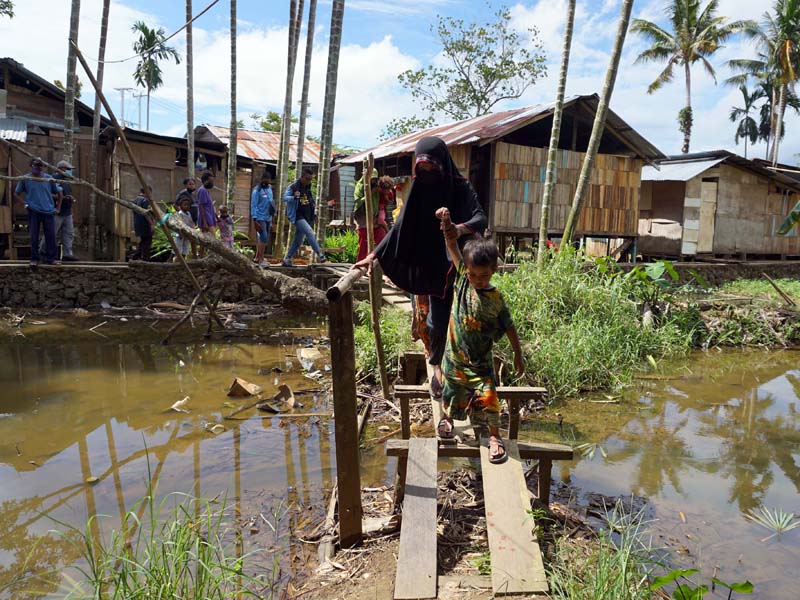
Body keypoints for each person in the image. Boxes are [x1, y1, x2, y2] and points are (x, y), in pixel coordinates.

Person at [353, 136, 487, 398]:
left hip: (457, 261)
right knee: (436, 320)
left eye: (431, 168)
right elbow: (399, 227)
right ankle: (438, 369)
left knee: (462, 317)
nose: (427, 173)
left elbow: (480, 218)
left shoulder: (460, 187)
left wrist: (458, 229)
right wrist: (373, 256)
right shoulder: (418, 187)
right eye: (422, 168)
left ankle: (465, 372)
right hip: (429, 260)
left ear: (442, 164)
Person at [434, 206, 524, 464]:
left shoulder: (496, 299)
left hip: (481, 363)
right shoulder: (463, 279)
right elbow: (452, 245)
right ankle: (447, 419)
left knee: (489, 398)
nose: (477, 279)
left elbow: (509, 327)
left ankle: (494, 437)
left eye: (483, 275)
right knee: (451, 392)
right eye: (473, 274)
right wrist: (447, 222)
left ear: (493, 270)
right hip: (455, 358)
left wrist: (518, 355)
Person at [14, 157, 62, 267]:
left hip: (48, 211)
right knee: (34, 235)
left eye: (40, 166)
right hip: (33, 211)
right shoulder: (26, 178)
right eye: (36, 165)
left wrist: (58, 208)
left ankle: (51, 258)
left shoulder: (48, 178)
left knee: (50, 235)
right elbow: (16, 193)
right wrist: (25, 203)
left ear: (43, 167)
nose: (38, 168)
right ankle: (34, 258)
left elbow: (59, 193)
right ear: (31, 166)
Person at [281, 167, 328, 266]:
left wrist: (314, 214)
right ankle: (320, 254)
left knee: (298, 241)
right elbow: (284, 198)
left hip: (307, 216)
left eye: (310, 179)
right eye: (307, 179)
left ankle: (287, 259)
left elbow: (311, 202)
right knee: (310, 232)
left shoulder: (308, 188)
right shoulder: (293, 187)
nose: (308, 181)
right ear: (302, 177)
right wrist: (294, 197)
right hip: (297, 216)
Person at [41, 159, 78, 261]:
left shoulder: (66, 181)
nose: (70, 171)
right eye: (68, 169)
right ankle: (43, 251)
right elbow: (47, 194)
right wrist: (62, 198)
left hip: (67, 212)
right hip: (56, 211)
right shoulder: (53, 179)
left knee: (69, 234)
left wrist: (70, 199)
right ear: (61, 169)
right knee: (51, 233)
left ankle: (67, 254)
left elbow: (67, 194)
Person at [250, 171, 275, 265]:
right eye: (265, 179)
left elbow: (271, 203)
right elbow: (253, 205)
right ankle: (261, 259)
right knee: (263, 237)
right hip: (260, 217)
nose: (267, 181)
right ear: (261, 180)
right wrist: (255, 220)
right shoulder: (257, 191)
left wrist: (273, 217)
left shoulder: (269, 189)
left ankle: (257, 257)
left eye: (268, 180)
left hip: (268, 217)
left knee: (264, 238)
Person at [196, 171, 217, 257]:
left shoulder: (206, 191)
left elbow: (209, 206)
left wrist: (215, 216)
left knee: (204, 240)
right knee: (213, 240)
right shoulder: (202, 191)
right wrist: (204, 222)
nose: (212, 183)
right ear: (205, 181)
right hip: (206, 220)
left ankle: (201, 256)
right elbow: (201, 206)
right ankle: (209, 256)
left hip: (210, 218)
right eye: (211, 181)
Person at [131, 187, 153, 261]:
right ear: (147, 192)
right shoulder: (145, 200)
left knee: (143, 241)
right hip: (145, 224)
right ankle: (145, 258)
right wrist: (151, 224)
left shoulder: (135, 200)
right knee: (147, 241)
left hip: (138, 224)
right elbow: (146, 214)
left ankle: (136, 256)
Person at [174, 195, 195, 261]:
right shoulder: (180, 214)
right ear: (180, 206)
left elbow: (191, 223)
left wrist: (193, 230)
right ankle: (174, 262)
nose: (187, 206)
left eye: (188, 205)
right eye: (185, 205)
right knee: (178, 250)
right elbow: (178, 224)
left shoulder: (188, 213)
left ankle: (183, 262)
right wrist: (180, 232)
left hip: (187, 234)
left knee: (185, 249)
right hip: (180, 235)